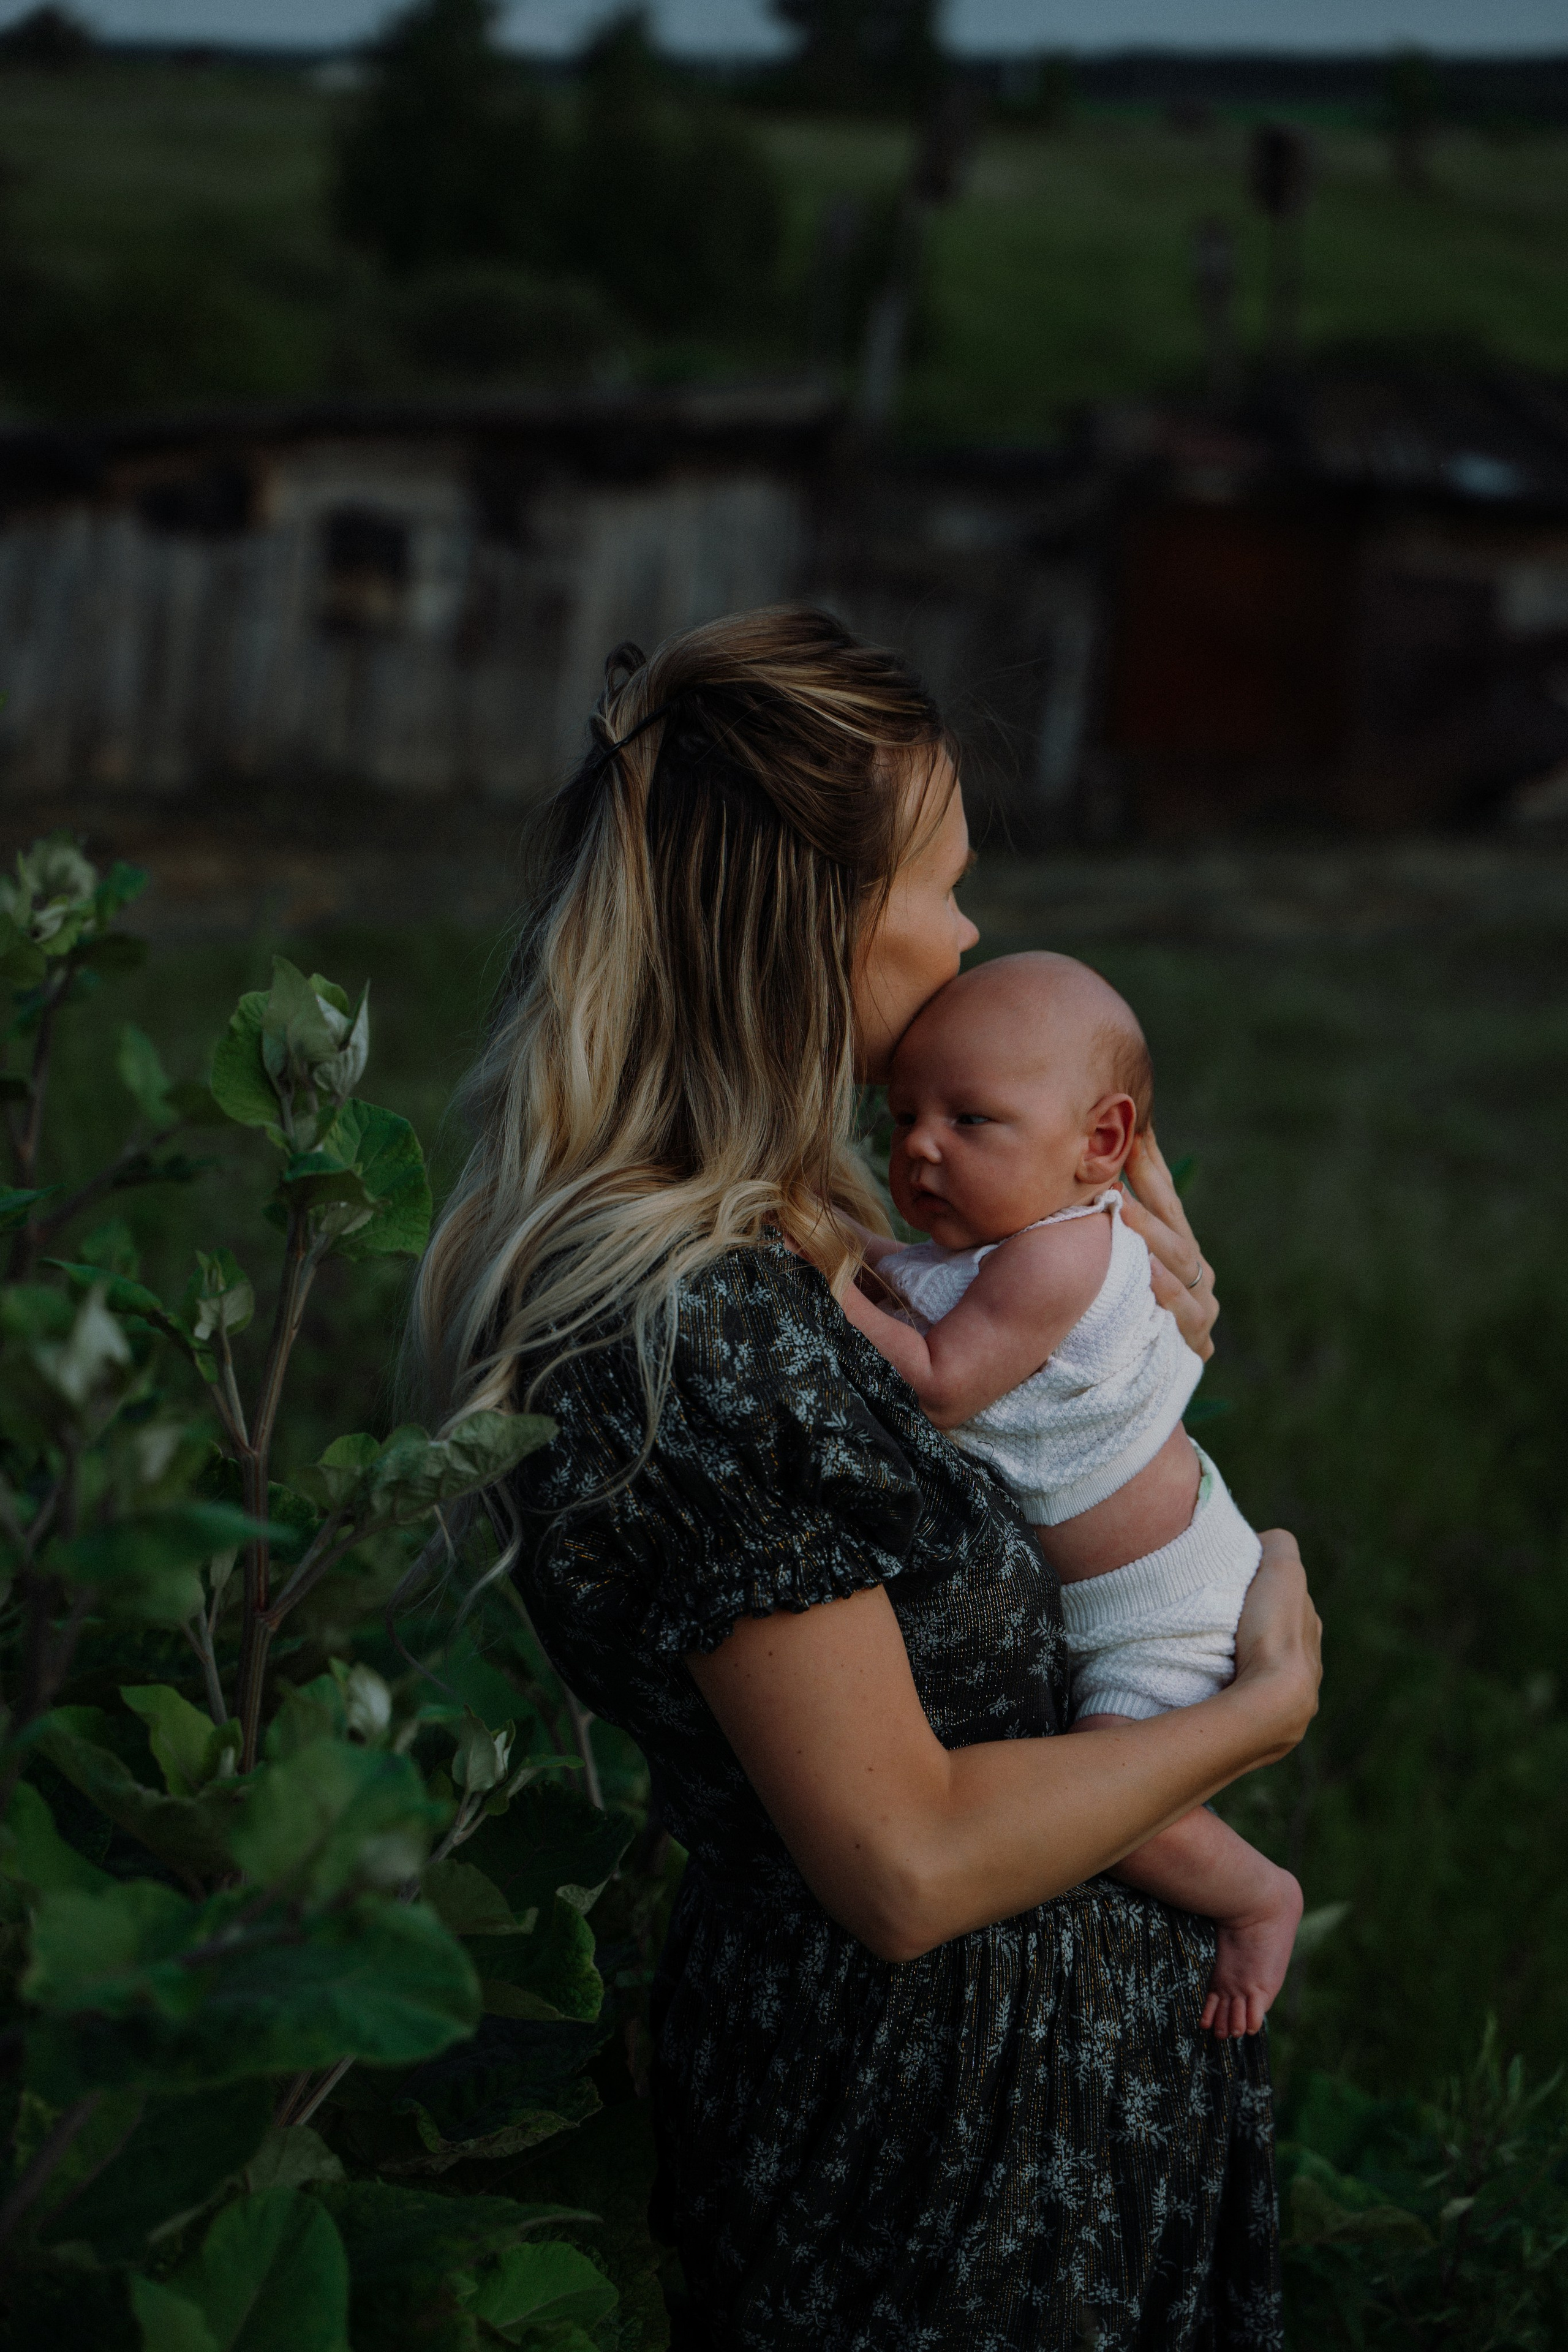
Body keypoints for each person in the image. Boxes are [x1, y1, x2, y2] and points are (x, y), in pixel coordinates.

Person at [412, 608, 1321, 2351]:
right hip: (930, 2174)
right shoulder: (696, 1328)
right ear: (826, 918)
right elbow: (899, 1861)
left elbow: (1006, 1556)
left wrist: (1126, 1353)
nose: (977, 929)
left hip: (1031, 2136)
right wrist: (1257, 1713)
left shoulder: (816, 1245)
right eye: (949, 883)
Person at [839, 948, 1303, 2044]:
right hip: (1147, 1576)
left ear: (1099, 1143)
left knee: (1120, 1806)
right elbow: (900, 1273)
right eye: (902, 1117)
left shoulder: (1060, 1260)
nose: (918, 1146)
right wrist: (838, 1243)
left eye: (972, 1121)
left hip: (1164, 1613)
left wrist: (818, 1284)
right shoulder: (997, 1249)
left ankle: (1255, 1893)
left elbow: (943, 1381)